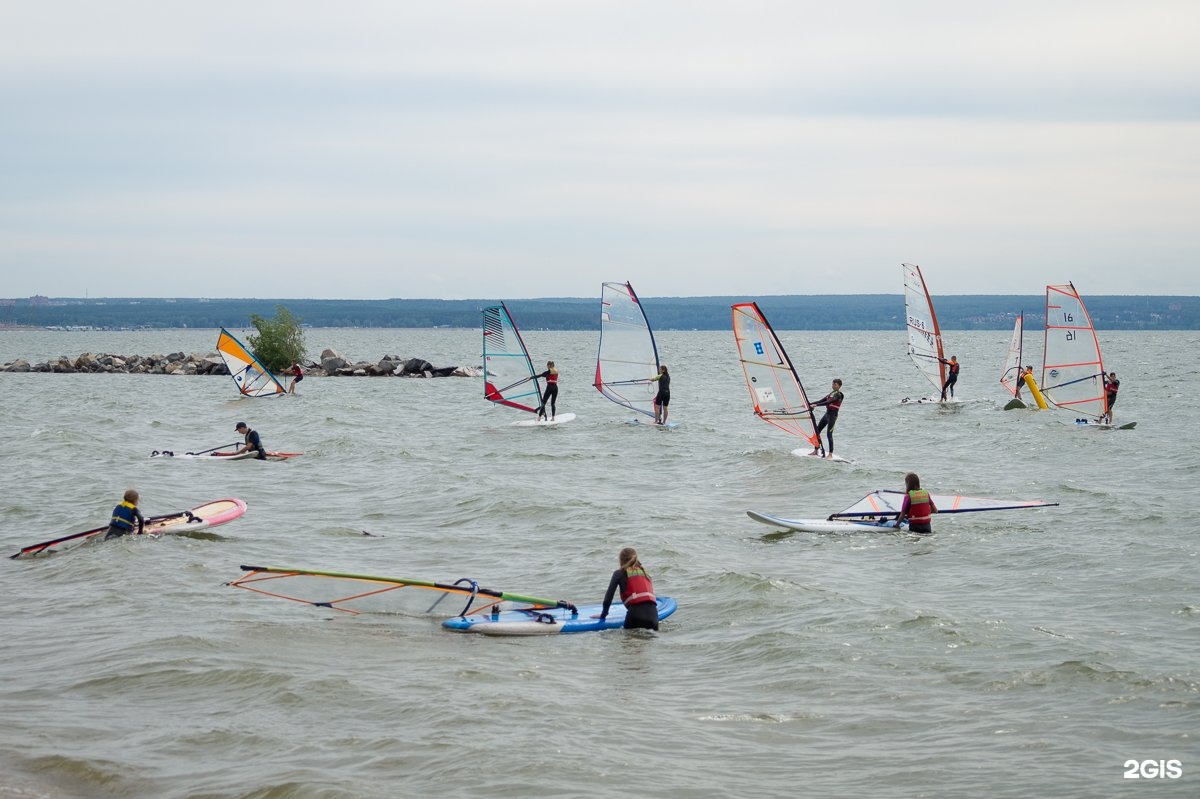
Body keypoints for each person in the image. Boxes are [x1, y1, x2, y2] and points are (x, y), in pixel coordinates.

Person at [597, 547, 659, 630]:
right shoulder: (644, 572)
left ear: (621, 561)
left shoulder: (619, 573)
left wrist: (603, 615)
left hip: (635, 615)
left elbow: (608, 599)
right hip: (654, 615)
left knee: (627, 641)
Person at [809, 378, 844, 458]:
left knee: (829, 434)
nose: (833, 386)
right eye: (832, 384)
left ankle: (830, 454)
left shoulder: (838, 394)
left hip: (833, 416)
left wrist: (816, 405)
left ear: (839, 386)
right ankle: (816, 450)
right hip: (827, 414)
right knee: (817, 431)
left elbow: (828, 402)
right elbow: (821, 400)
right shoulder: (830, 394)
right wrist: (809, 403)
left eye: (835, 385)